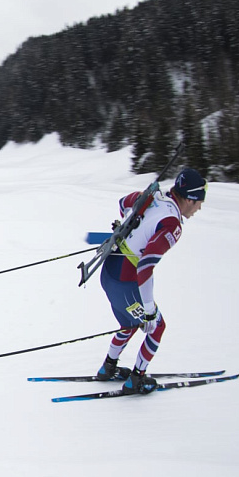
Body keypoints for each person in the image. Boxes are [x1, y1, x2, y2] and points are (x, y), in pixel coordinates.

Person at [94, 167, 207, 393]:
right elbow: (146, 265)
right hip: (125, 281)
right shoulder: (172, 224)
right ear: (189, 199)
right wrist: (148, 311)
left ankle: (108, 368)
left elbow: (123, 202)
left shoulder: (154, 197)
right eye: (199, 202)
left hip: (108, 272)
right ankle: (136, 379)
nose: (200, 208)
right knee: (156, 326)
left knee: (128, 324)